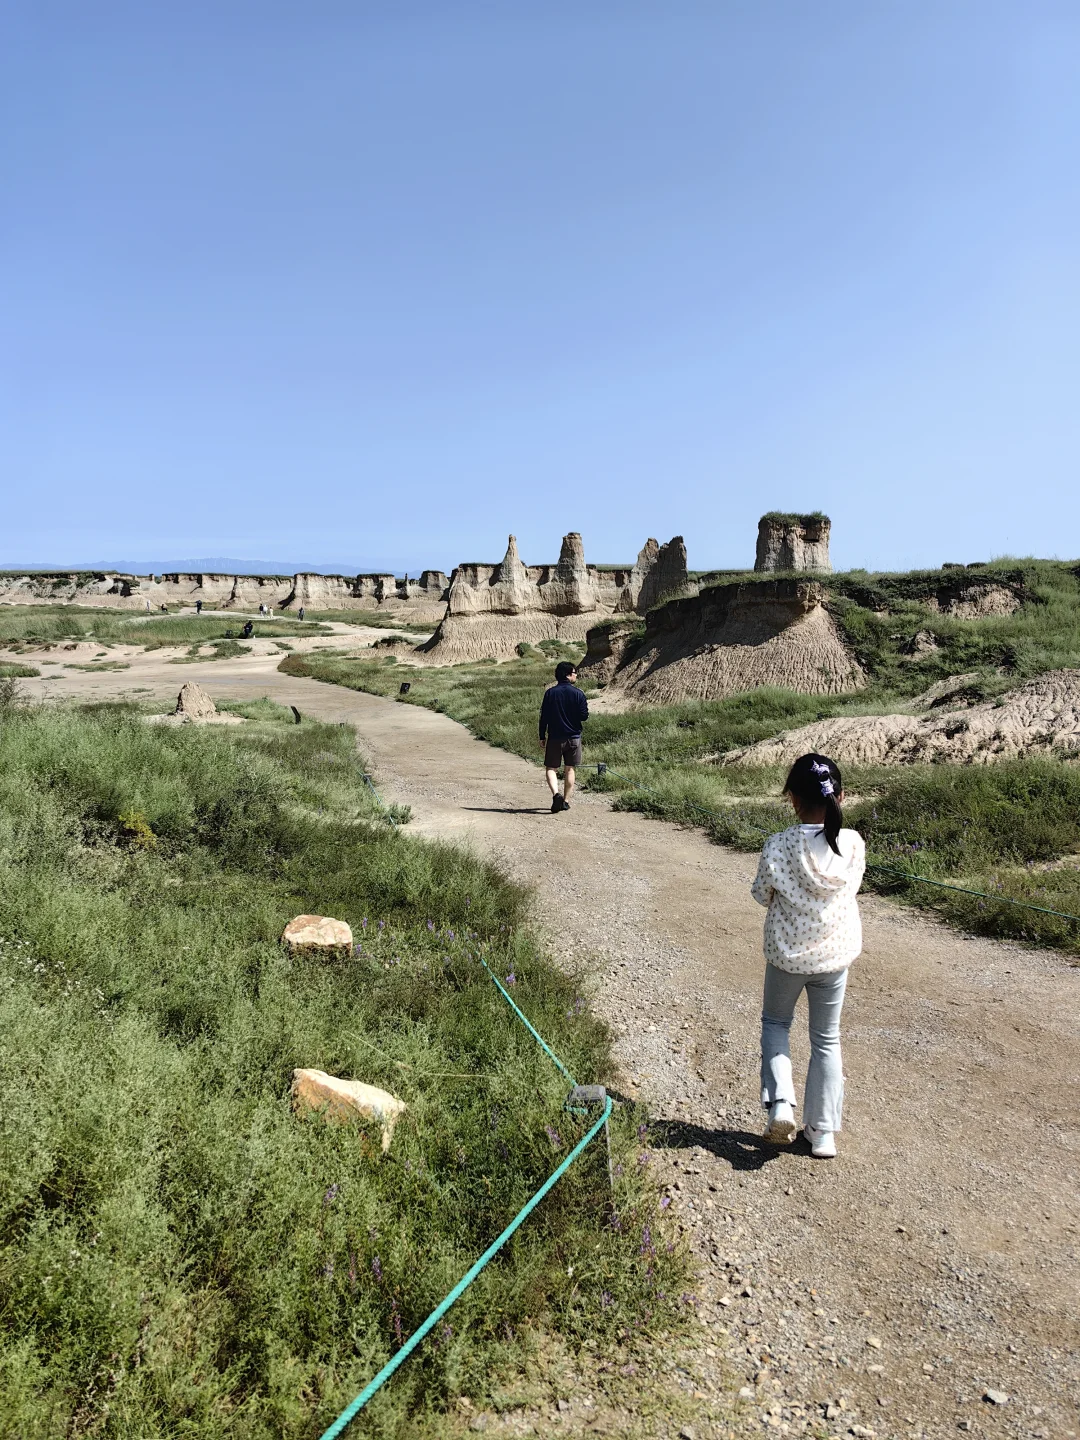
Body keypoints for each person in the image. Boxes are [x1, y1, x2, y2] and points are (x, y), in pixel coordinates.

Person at [751, 753, 865, 1159]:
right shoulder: (852, 843)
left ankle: (780, 1106)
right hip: (834, 955)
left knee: (776, 1022)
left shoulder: (778, 845)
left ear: (792, 797)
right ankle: (822, 1132)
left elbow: (762, 894)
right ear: (841, 797)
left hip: (786, 955)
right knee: (826, 1039)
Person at [538, 660, 589, 813]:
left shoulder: (550, 693)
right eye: (574, 673)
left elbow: (544, 717)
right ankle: (566, 801)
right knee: (570, 769)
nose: (576, 675)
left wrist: (542, 735)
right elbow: (584, 716)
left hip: (554, 737)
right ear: (568, 675)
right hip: (573, 737)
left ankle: (556, 795)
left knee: (551, 768)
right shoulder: (579, 693)